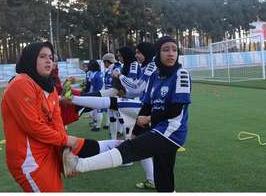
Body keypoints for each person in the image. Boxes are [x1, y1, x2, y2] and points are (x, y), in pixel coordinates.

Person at [62, 36, 192, 192]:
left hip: (172, 132)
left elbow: (176, 109)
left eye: (174, 50)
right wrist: (136, 131)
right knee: (163, 176)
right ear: (158, 53)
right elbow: (147, 105)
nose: (171, 53)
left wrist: (149, 118)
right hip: (158, 128)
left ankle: (78, 164)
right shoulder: (155, 76)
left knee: (131, 148)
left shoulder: (181, 74)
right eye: (166, 50)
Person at [0, 42, 83, 192]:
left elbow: (57, 122)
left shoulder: (48, 85)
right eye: (42, 56)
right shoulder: (21, 83)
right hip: (29, 160)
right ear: (31, 59)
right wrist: (66, 140)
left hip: (47, 152)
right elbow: (32, 126)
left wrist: (64, 150)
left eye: (50, 57)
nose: (49, 61)